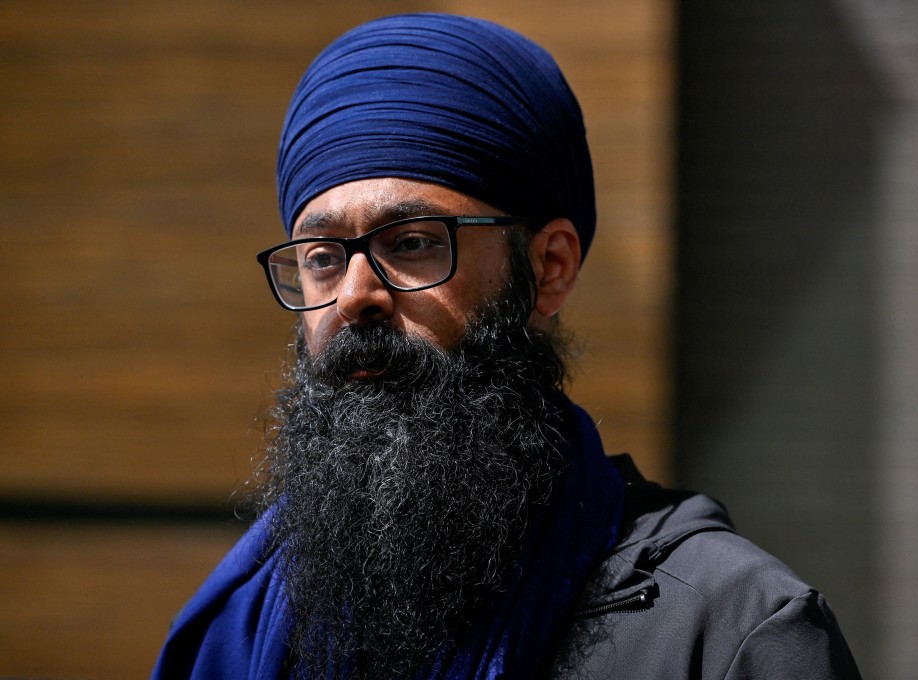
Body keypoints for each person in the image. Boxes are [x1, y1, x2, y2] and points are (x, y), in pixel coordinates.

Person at [152, 13, 861, 680]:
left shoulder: (728, 634)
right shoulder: (236, 631)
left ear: (549, 267)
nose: (352, 296)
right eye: (321, 257)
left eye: (413, 244)